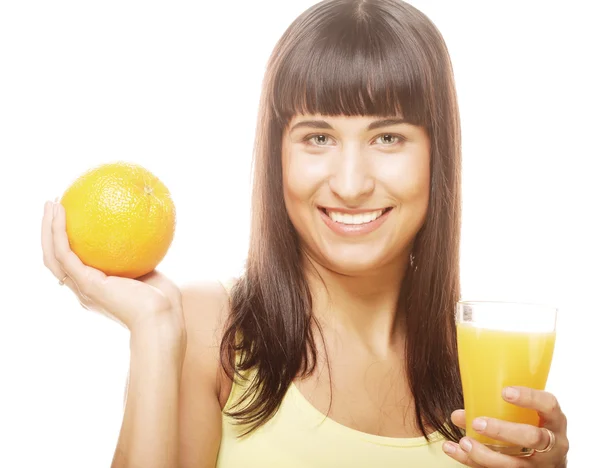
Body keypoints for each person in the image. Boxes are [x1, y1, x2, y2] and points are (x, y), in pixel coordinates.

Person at [41, 0, 570, 467]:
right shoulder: (209, 328)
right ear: (278, 155)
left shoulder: (478, 365)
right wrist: (154, 332)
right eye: (318, 137)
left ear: (438, 156)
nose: (350, 183)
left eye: (387, 136)